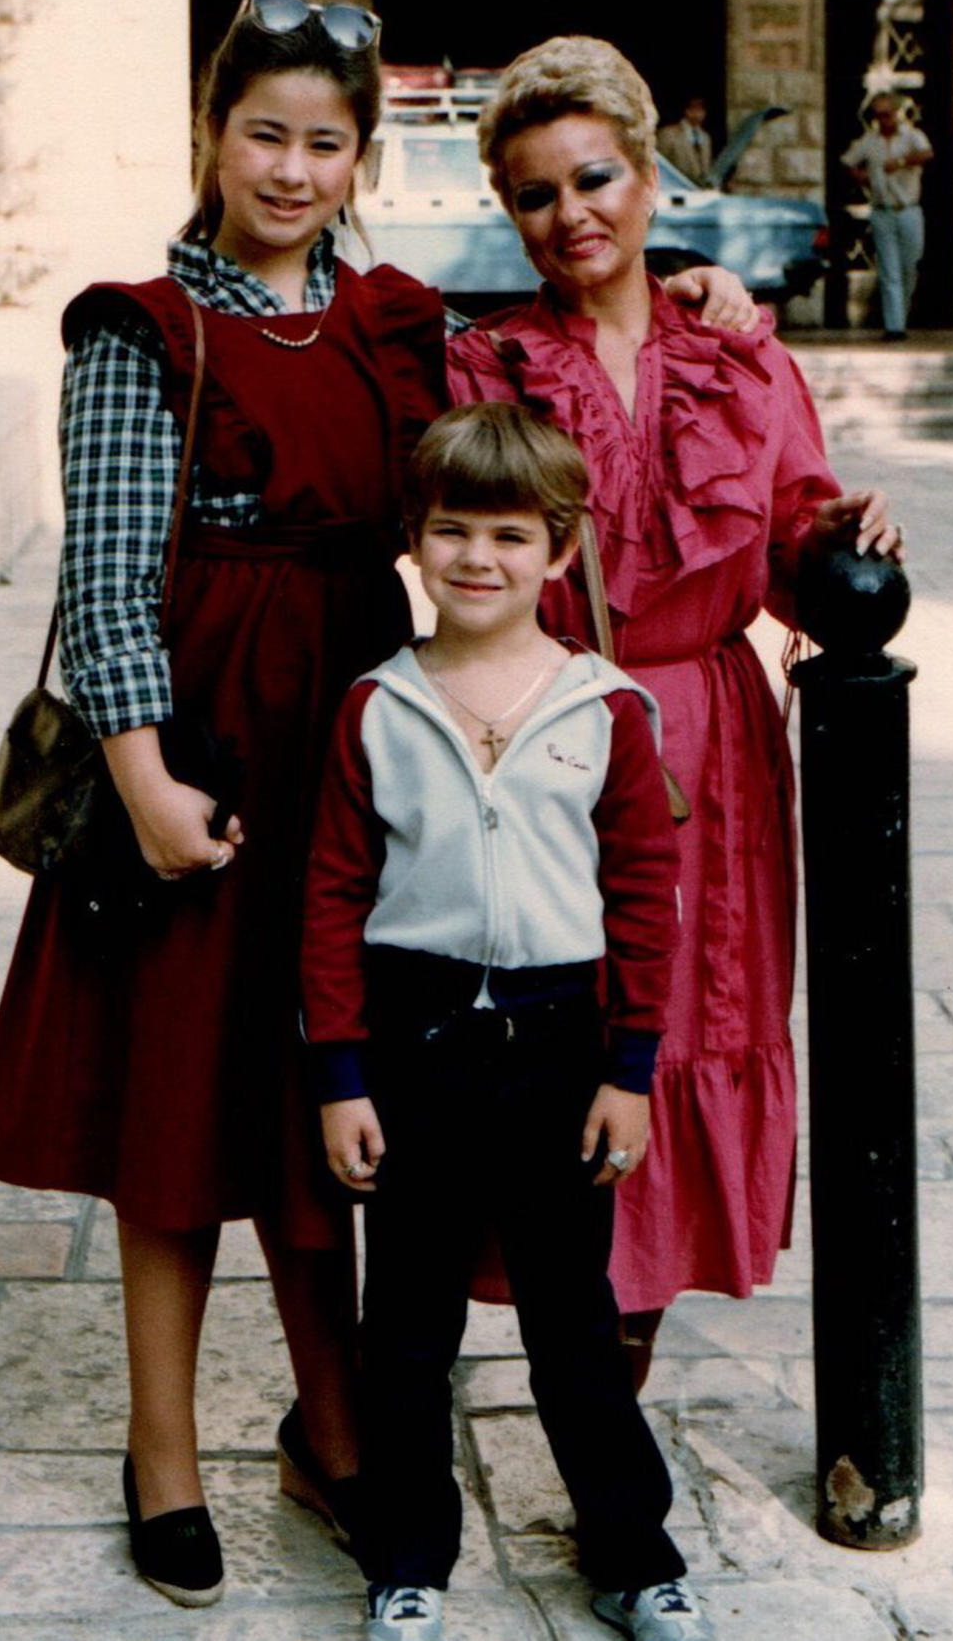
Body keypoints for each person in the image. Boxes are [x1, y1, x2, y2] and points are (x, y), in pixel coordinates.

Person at [0, 0, 754, 1608]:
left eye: (328, 140)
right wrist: (142, 776)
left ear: (363, 154)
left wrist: (688, 290)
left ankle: (334, 1425)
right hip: (205, 753)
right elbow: (104, 582)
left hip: (367, 751)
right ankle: (164, 1443)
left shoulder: (396, 319)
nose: (295, 167)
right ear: (213, 132)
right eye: (266, 132)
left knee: (333, 1109)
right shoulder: (141, 326)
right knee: (174, 1114)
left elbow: (532, 384)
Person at [447, 36, 905, 1383]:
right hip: (549, 739)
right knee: (564, 1031)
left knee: (693, 1018)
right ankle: (580, 1351)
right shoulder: (490, 364)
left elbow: (786, 544)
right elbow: (464, 556)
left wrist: (847, 533)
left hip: (712, 741)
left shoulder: (743, 359)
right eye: (534, 194)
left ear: (650, 181)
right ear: (509, 213)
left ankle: (618, 1370)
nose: (570, 213)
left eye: (595, 177)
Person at [303, 401, 713, 1641]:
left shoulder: (603, 708)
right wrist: (341, 1075)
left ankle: (635, 1554)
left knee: (572, 1322)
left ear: (557, 547)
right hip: (414, 1045)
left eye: (509, 534)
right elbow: (331, 893)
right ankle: (408, 1553)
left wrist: (630, 1067)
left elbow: (645, 895)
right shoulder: (378, 705)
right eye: (450, 531)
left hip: (557, 1050)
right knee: (408, 1327)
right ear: (412, 546)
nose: (478, 558)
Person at [840, 92, 933, 341]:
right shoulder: (869, 142)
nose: (883, 120)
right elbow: (848, 161)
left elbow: (927, 154)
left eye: (887, 114)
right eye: (878, 115)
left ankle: (901, 315)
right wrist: (860, 176)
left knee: (909, 265)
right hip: (883, 210)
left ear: (896, 114)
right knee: (889, 269)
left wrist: (902, 162)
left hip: (908, 209)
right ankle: (895, 326)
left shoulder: (912, 136)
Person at [656, 94, 713, 185]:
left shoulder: (705, 137)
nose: (699, 113)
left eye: (701, 109)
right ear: (687, 110)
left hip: (700, 190)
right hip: (676, 188)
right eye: (695, 108)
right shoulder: (669, 134)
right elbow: (660, 166)